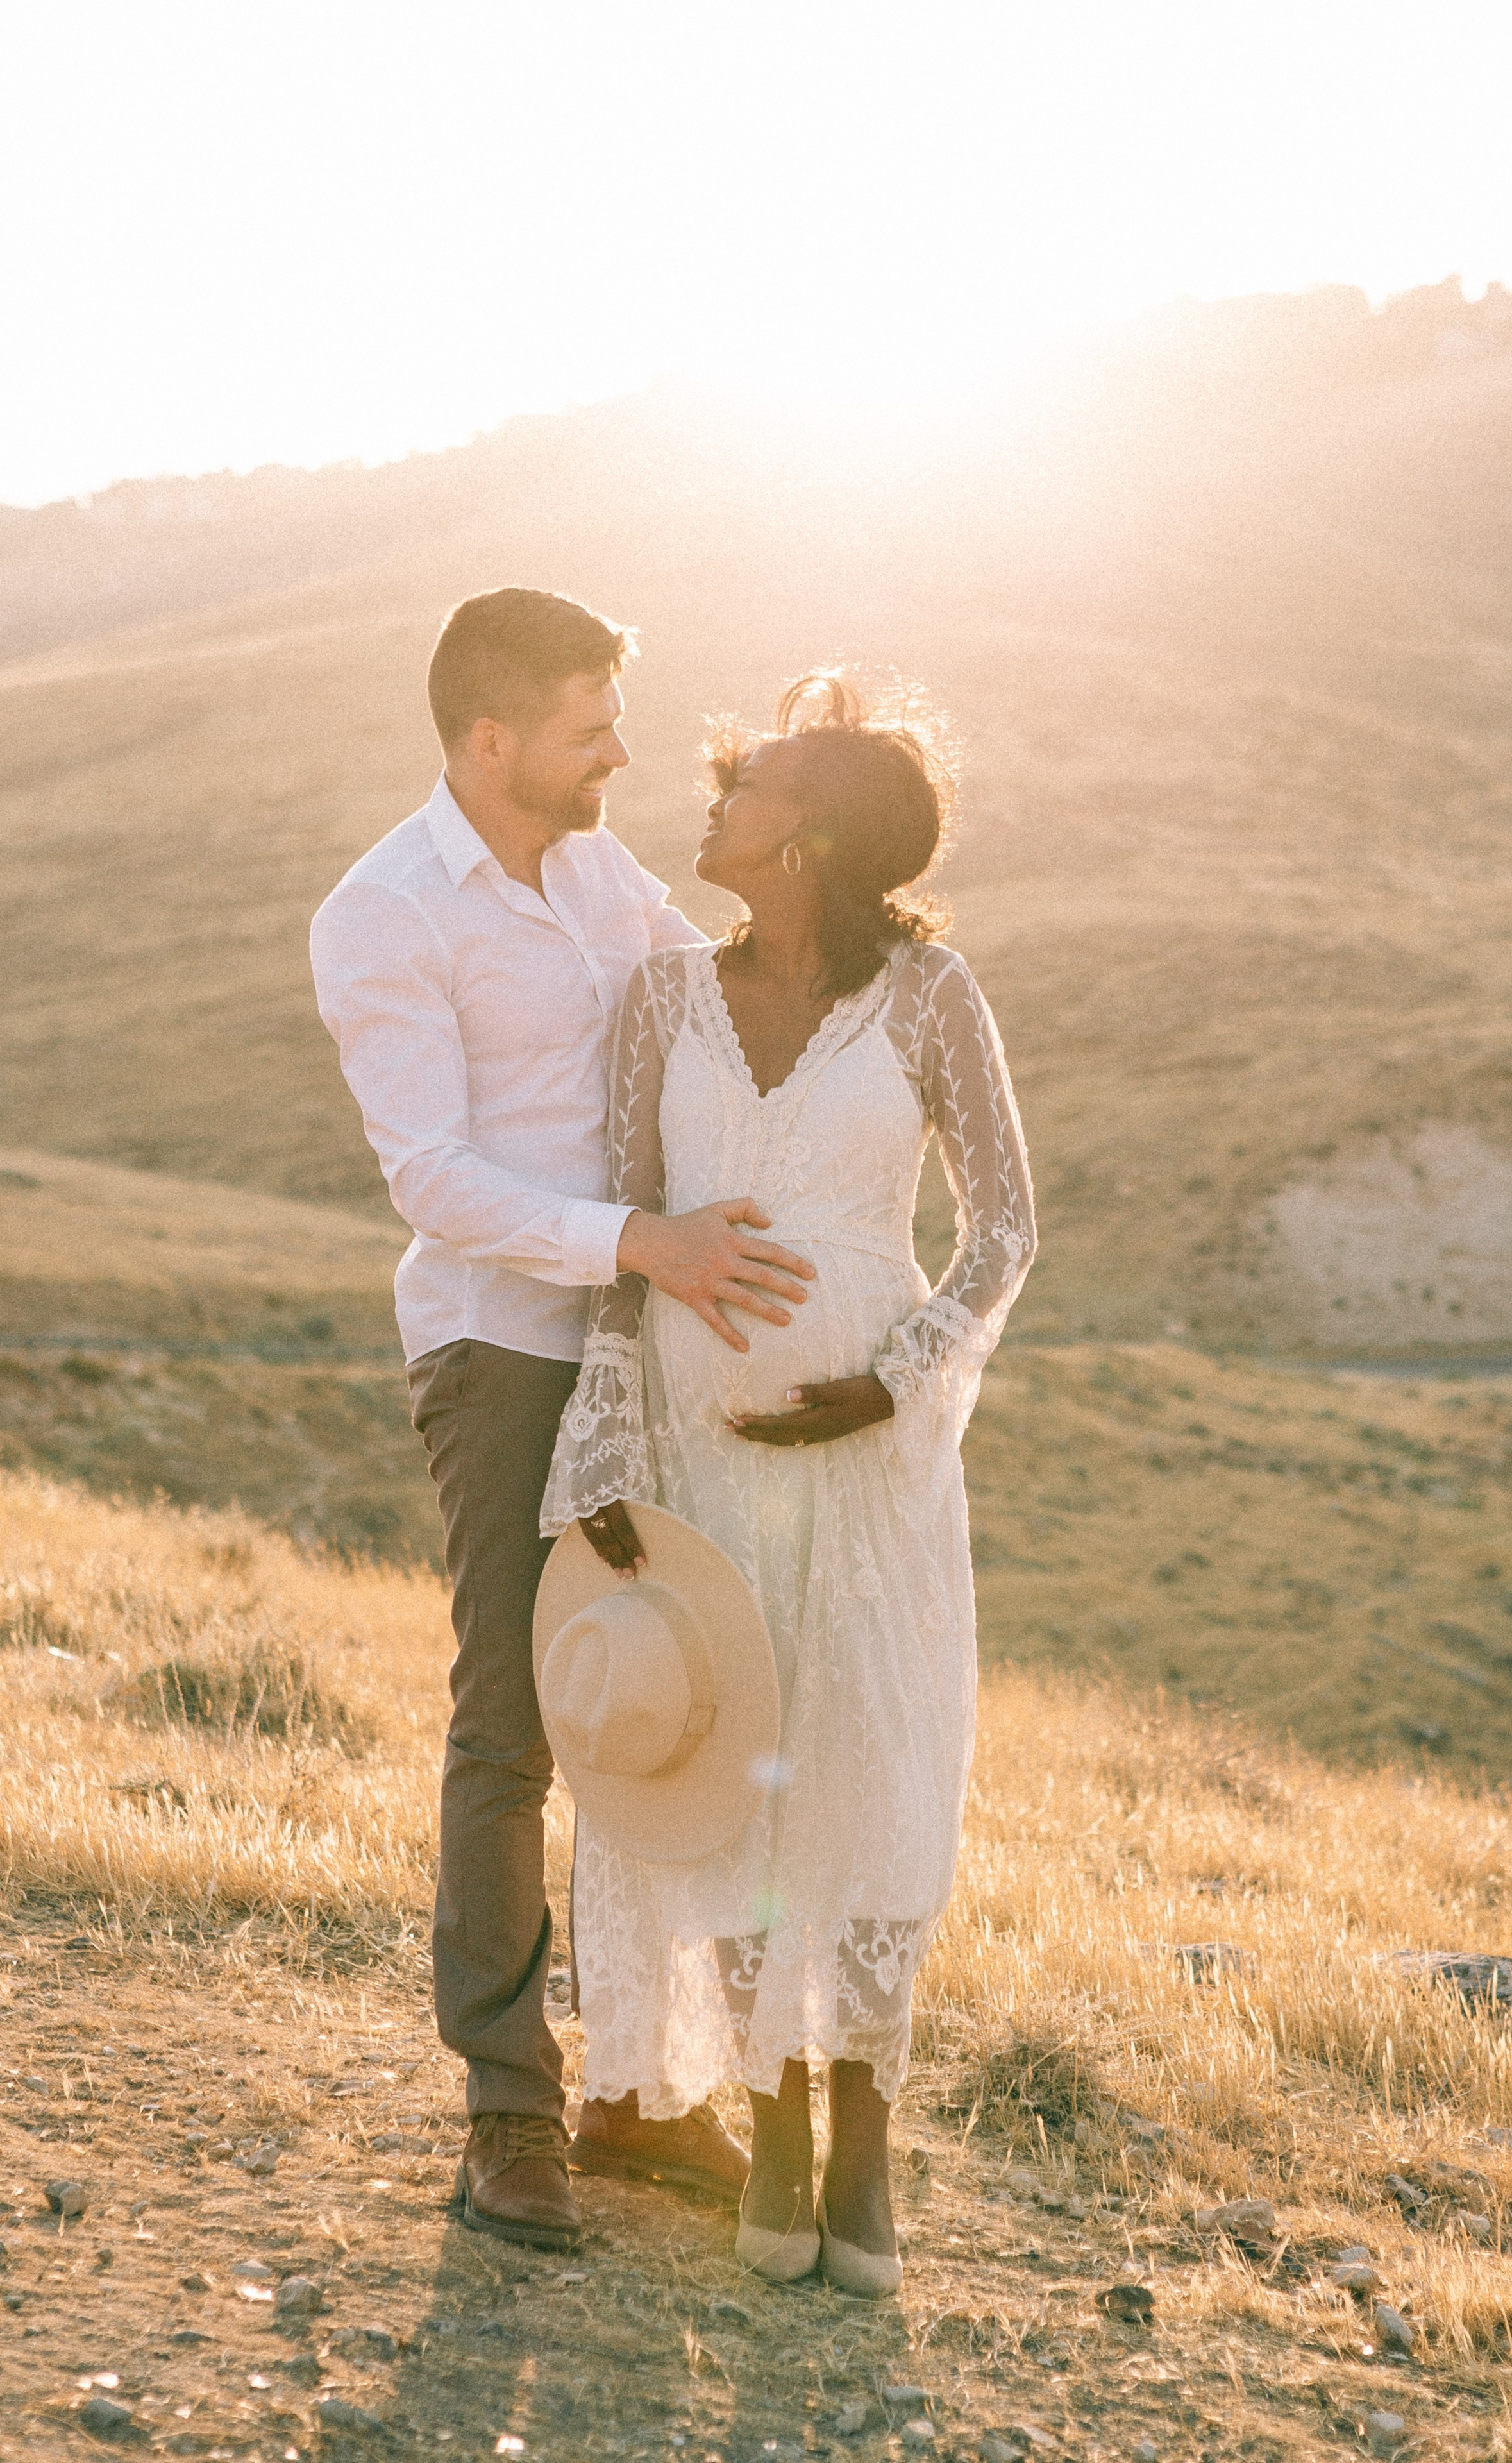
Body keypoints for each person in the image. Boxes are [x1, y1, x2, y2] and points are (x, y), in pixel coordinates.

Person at [310, 588, 819, 2251]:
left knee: (664, 1692)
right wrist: (642, 1245)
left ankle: (642, 2101)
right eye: (592, 727)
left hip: (647, 1349)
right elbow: (434, 1182)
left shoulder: (603, 875)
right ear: (491, 741)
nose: (620, 754)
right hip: (504, 1350)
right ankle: (506, 2114)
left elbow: (722, 994)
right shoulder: (381, 918)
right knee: (515, 1721)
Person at [540, 671, 1036, 2292]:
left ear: (807, 837)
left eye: (738, 789)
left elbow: (1005, 1230)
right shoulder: (664, 1000)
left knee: (865, 1765)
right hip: (694, 1454)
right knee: (735, 1761)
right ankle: (772, 2120)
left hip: (873, 1458)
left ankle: (865, 2132)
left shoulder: (929, 997)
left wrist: (894, 1381)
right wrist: (607, 1432)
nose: (708, 807)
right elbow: (621, 1237)